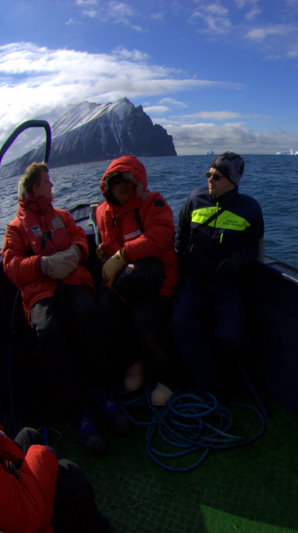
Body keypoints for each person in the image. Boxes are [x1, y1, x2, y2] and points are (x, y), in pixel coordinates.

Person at [2, 163, 130, 456]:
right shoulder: (14, 228)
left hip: (73, 281)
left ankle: (101, 391)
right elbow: (11, 267)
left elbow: (78, 240)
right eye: (47, 182)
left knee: (88, 314)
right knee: (48, 332)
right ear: (35, 188)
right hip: (40, 290)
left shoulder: (62, 217)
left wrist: (75, 252)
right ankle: (77, 410)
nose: (52, 187)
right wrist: (42, 265)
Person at [171, 152, 264, 391]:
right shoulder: (194, 199)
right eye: (208, 174)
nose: (210, 180)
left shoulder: (250, 209)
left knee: (231, 336)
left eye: (217, 176)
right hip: (194, 279)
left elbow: (255, 248)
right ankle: (206, 379)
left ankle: (215, 378)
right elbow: (180, 236)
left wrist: (238, 260)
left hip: (227, 283)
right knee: (179, 323)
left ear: (232, 181)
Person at [95, 155, 180, 407]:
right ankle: (135, 364)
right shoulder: (102, 212)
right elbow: (110, 245)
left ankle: (170, 377)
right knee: (104, 311)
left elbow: (161, 236)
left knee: (145, 318)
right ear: (107, 186)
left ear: (137, 183)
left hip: (158, 281)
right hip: (125, 283)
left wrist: (122, 255)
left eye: (127, 181)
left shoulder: (152, 203)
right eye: (116, 181)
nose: (122, 186)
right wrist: (106, 253)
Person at [0, 424, 108, 532]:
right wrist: (40, 454)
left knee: (28, 436)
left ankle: (80, 515)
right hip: (29, 518)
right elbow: (30, 518)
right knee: (69, 473)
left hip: (13, 486)